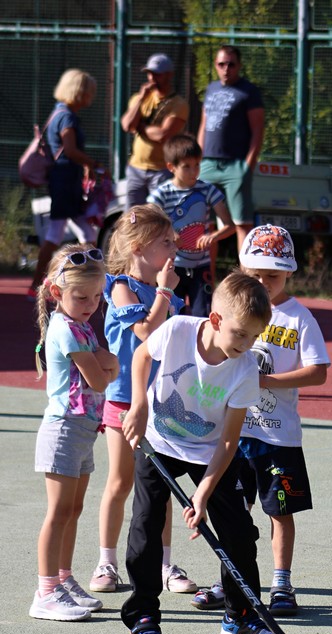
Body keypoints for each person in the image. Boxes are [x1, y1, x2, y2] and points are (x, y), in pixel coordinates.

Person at [121, 271, 275, 634]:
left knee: (239, 534)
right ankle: (144, 621)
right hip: (159, 442)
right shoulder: (178, 331)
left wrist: (202, 493)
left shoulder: (244, 368)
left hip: (210, 452)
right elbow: (141, 356)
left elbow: (227, 442)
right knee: (146, 526)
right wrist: (138, 405)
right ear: (216, 320)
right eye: (240, 334)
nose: (246, 344)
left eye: (254, 337)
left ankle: (240, 617)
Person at [90, 204, 196, 595]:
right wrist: (166, 291)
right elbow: (145, 333)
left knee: (159, 486)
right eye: (165, 242)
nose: (174, 248)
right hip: (124, 402)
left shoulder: (167, 293)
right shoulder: (121, 287)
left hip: (162, 403)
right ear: (138, 248)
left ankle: (165, 565)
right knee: (120, 482)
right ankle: (106, 562)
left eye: (174, 241)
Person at [237, 225, 330, 616]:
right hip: (236, 434)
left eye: (272, 275)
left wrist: (265, 381)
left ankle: (281, 583)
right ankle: (231, 581)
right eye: (256, 274)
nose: (263, 282)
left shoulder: (299, 318)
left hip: (279, 439)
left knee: (279, 512)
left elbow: (318, 372)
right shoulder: (235, 309)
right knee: (233, 512)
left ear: (288, 272)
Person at [29, 244, 119, 621]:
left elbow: (105, 365)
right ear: (56, 292)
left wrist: (106, 364)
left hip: (82, 430)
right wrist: (108, 365)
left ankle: (63, 579)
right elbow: (100, 378)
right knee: (58, 512)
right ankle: (46, 591)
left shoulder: (82, 326)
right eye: (81, 297)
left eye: (97, 297)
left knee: (74, 509)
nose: (91, 305)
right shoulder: (65, 329)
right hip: (63, 429)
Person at [28, 69, 106, 299]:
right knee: (59, 235)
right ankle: (39, 285)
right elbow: (70, 150)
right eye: (88, 92)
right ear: (79, 92)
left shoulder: (59, 112)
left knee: (82, 233)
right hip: (65, 183)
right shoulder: (67, 117)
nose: (90, 97)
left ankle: (89, 280)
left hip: (64, 182)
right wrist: (95, 164)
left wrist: (86, 166)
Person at [147, 133, 236, 316]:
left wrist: (213, 236)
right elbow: (148, 218)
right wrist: (169, 233)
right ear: (171, 167)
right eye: (186, 166)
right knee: (171, 317)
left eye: (197, 165)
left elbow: (230, 225)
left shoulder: (207, 190)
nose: (193, 171)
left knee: (203, 316)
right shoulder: (162, 193)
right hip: (172, 267)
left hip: (201, 268)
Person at [197, 45, 265, 252]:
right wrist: (198, 159)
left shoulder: (249, 91)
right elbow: (203, 125)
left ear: (239, 65)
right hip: (207, 164)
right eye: (221, 64)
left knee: (242, 223)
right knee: (204, 224)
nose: (226, 69)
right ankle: (206, 272)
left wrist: (247, 166)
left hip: (235, 165)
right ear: (216, 65)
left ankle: (246, 272)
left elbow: (258, 130)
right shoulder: (211, 89)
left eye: (231, 64)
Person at [121, 53, 188, 209]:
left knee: (159, 215)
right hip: (136, 168)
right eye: (149, 73)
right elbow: (127, 125)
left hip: (161, 170)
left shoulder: (178, 104)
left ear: (169, 75)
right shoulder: (139, 98)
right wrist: (140, 99)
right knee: (132, 216)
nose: (152, 78)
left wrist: (140, 127)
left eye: (157, 74)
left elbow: (163, 135)